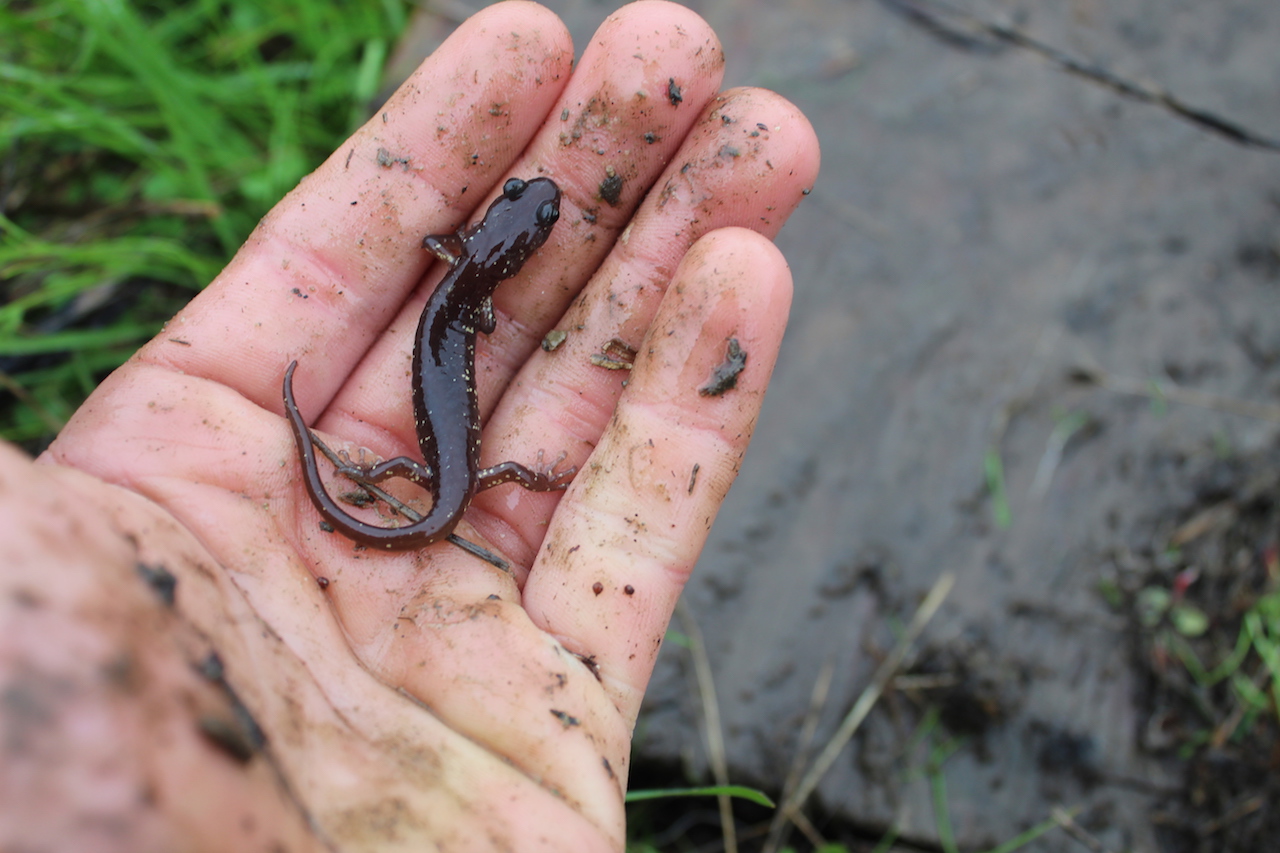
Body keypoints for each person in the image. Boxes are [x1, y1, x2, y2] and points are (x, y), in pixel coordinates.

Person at [0, 1, 819, 850]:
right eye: (527, 213)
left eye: (527, 214)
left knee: (449, 459)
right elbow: (471, 311)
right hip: (448, 485)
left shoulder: (462, 265)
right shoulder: (478, 293)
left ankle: (370, 490)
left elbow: (444, 256)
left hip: (448, 482)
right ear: (518, 251)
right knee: (459, 460)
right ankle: (382, 491)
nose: (529, 211)